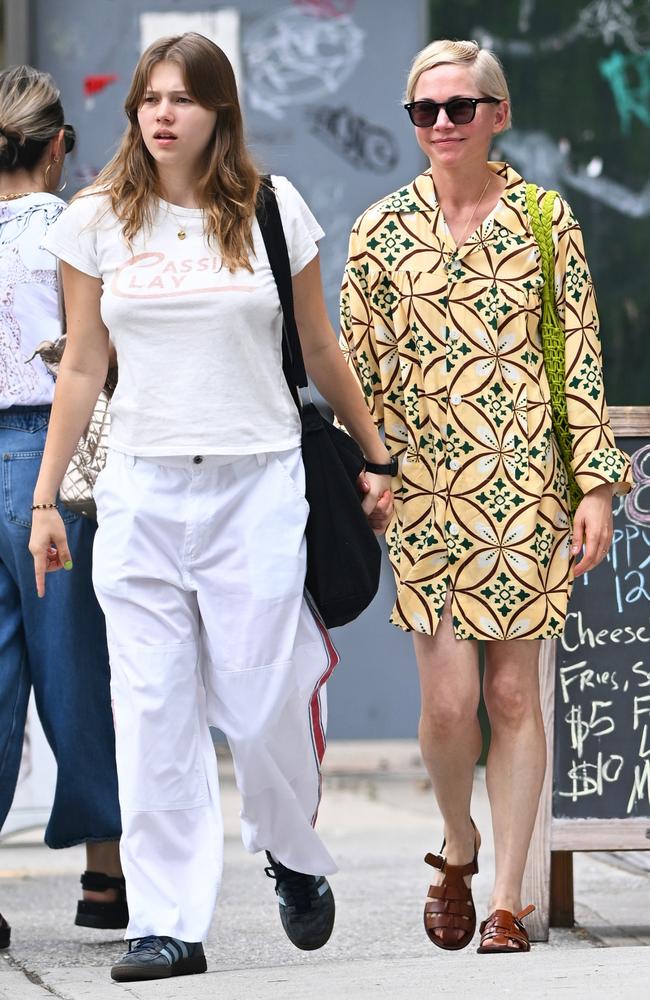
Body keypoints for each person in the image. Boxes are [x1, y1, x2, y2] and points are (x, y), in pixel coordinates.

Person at [29, 33, 393, 982]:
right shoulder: (98, 218)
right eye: (148, 98)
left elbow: (321, 350)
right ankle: (168, 921)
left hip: (257, 486)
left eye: (183, 99)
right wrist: (46, 500)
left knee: (265, 698)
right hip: (142, 493)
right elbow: (80, 364)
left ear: (219, 112)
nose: (161, 114)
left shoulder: (274, 211)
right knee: (152, 712)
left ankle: (291, 851)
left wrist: (380, 458)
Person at [340, 39, 632, 955]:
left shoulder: (547, 221)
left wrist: (595, 484)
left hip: (529, 490)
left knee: (513, 693)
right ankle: (457, 839)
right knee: (449, 706)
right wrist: (370, 465)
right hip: (425, 491)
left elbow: (577, 356)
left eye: (458, 108)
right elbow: (358, 369)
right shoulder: (377, 230)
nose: (440, 126)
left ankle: (507, 896)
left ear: (497, 114)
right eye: (423, 111)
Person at [0, 66, 125, 948]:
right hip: (57, 465)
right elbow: (101, 357)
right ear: (57, 147)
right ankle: (104, 875)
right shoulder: (78, 233)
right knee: (79, 666)